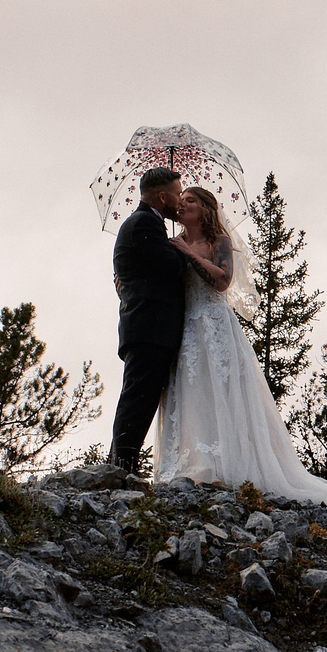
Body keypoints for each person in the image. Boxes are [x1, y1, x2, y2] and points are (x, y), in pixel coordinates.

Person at [159, 184, 327, 511]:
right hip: (188, 326)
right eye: (181, 200)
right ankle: (198, 463)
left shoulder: (218, 242)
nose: (182, 205)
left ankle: (228, 464)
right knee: (193, 389)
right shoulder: (175, 242)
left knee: (223, 390)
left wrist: (188, 255)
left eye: (190, 201)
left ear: (204, 209)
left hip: (215, 324)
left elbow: (223, 282)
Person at [109, 166, 189, 468]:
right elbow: (173, 268)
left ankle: (119, 463)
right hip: (148, 328)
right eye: (178, 194)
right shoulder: (143, 224)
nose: (180, 200)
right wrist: (185, 248)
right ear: (162, 196)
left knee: (141, 397)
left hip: (150, 328)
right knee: (138, 398)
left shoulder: (148, 224)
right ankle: (122, 465)